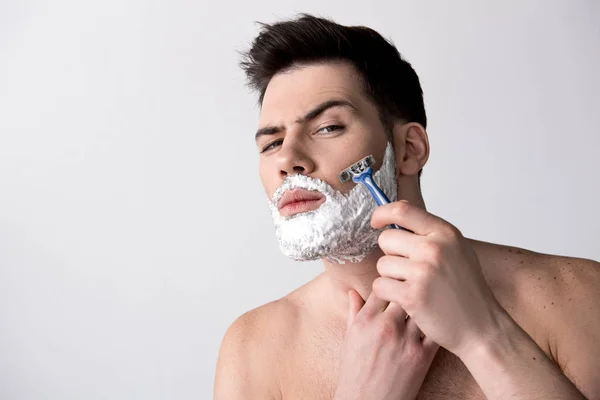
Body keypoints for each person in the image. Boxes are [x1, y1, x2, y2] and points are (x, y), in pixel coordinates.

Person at [214, 14, 599, 400]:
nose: (288, 159)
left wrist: (484, 335)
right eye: (271, 144)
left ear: (408, 149)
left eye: (328, 127)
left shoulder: (578, 296)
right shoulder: (253, 349)